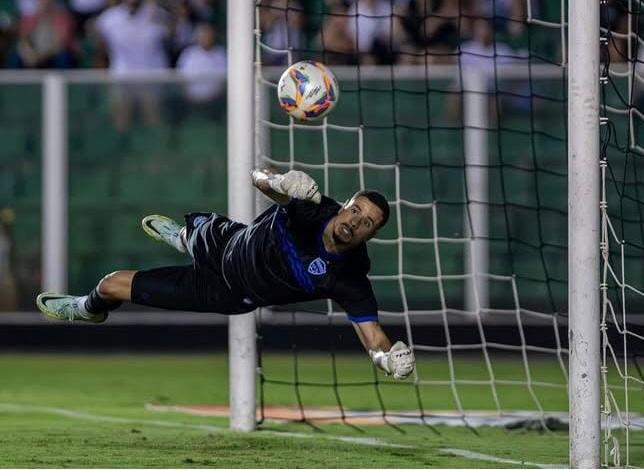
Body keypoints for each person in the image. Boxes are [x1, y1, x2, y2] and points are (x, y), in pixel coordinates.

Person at [36, 169, 416, 380]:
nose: (356, 222)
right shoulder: (310, 207)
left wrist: (386, 359)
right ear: (345, 205)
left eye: (367, 223)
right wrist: (280, 181)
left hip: (228, 292)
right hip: (227, 241)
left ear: (372, 234)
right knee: (194, 234)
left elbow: (373, 337)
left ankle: (90, 309)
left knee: (110, 285)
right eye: (355, 211)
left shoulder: (351, 278)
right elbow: (259, 178)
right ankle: (185, 238)